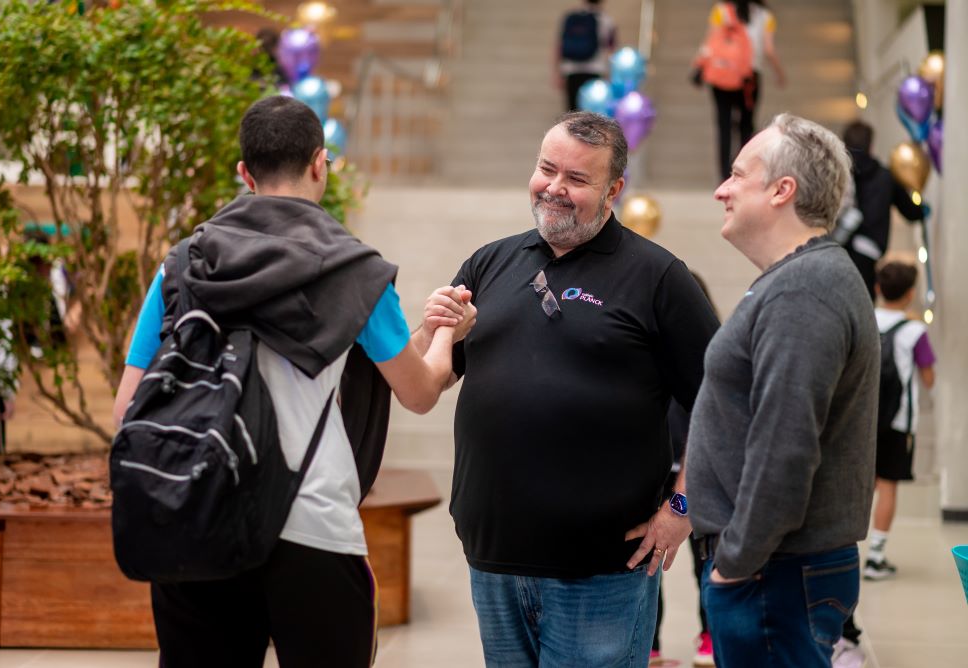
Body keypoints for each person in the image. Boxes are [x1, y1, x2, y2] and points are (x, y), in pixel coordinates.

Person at [112, 95, 475, 668]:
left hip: (198, 514)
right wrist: (447, 334)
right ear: (319, 163)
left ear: (244, 173)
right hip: (312, 525)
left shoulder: (181, 264)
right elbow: (419, 392)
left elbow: (127, 407)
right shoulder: (354, 272)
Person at [415, 111, 719, 667]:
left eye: (576, 179)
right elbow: (424, 382)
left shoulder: (658, 278)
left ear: (614, 190)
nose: (554, 188)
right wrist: (429, 327)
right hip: (494, 560)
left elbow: (722, 405)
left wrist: (682, 505)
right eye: (546, 169)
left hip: (602, 571)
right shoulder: (490, 263)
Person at [685, 113, 879, 667]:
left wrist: (735, 564)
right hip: (776, 567)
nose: (722, 189)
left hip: (774, 571)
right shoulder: (797, 280)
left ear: (781, 190)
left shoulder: (803, 291)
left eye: (737, 175)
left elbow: (785, 447)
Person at [651, 272, 716, 668]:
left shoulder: (710, 352)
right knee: (647, 560)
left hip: (698, 474)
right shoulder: (649, 347)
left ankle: (709, 636)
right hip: (655, 472)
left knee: (706, 561)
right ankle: (651, 643)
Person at [865, 259, 936, 578]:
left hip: (861, 418)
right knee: (888, 485)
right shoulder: (915, 331)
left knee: (860, 484)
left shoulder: (863, 318)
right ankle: (876, 557)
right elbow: (929, 377)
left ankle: (847, 551)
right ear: (910, 294)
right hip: (897, 421)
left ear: (878, 288)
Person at [696, 0, 786, 181]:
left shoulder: (721, 10)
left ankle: (723, 176)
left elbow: (710, 42)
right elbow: (768, 49)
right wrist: (779, 73)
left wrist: (699, 66)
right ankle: (744, 174)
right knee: (746, 126)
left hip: (722, 74)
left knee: (724, 126)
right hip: (749, 79)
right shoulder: (765, 15)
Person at [838, 120, 927, 300]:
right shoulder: (885, 176)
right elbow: (910, 212)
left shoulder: (840, 174)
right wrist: (923, 210)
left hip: (840, 245)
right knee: (865, 303)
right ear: (871, 145)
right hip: (870, 248)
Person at [556, 0, 617, 112]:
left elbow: (560, 46)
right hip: (595, 71)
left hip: (572, 71)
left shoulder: (571, 17)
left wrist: (558, 73)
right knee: (592, 115)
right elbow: (611, 49)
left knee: (572, 115)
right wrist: (611, 74)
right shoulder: (607, 20)